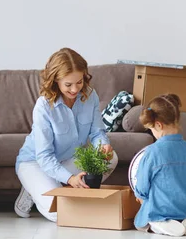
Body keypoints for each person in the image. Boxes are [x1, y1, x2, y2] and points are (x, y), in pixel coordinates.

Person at [14, 48, 118, 222]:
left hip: (67, 159)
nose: (75, 89)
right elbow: (44, 156)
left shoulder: (89, 95)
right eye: (68, 85)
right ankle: (32, 187)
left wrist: (103, 146)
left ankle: (58, 188)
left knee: (111, 158)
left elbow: (97, 132)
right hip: (36, 163)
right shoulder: (44, 106)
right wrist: (69, 178)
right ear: (56, 80)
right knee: (58, 213)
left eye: (79, 82)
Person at [133, 94, 186, 237]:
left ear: (158, 125)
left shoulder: (152, 152)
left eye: (152, 129)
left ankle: (159, 223)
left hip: (161, 209)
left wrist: (140, 197)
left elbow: (142, 186)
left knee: (140, 222)